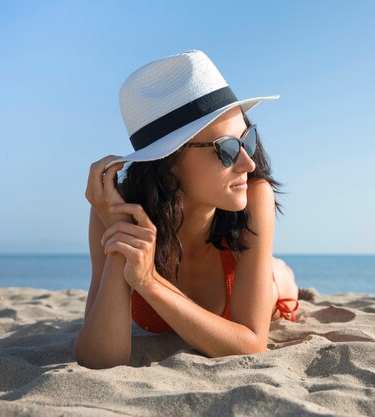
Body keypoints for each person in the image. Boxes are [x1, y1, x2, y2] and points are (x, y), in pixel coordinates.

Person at [73, 50, 299, 369]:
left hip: (274, 288)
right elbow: (98, 358)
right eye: (227, 149)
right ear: (169, 164)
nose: (248, 163)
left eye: (247, 141)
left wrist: (149, 280)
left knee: (278, 275)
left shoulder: (254, 195)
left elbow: (251, 342)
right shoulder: (115, 207)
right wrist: (120, 246)